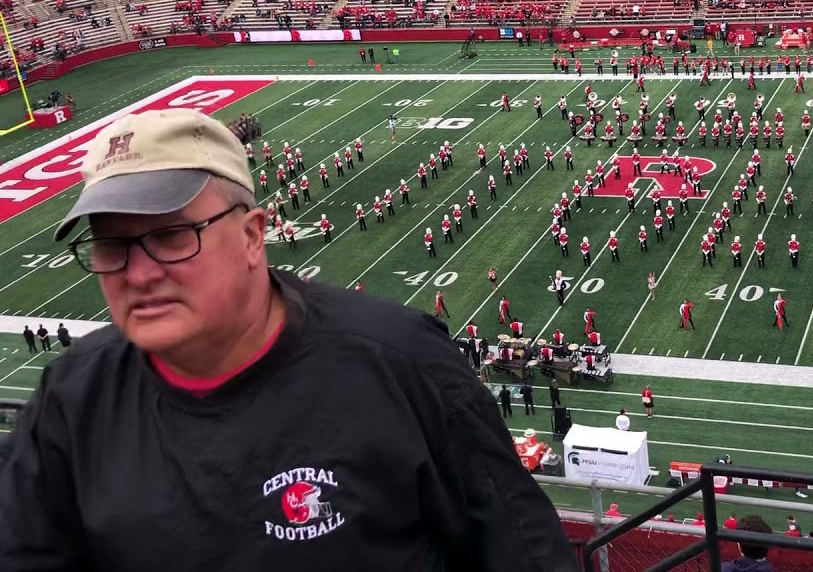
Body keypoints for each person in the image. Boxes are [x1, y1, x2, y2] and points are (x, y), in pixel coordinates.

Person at [0, 108, 577, 571]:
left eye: (172, 235)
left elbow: (522, 549)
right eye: (110, 245)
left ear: (254, 236)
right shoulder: (73, 394)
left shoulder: (402, 363)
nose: (139, 272)